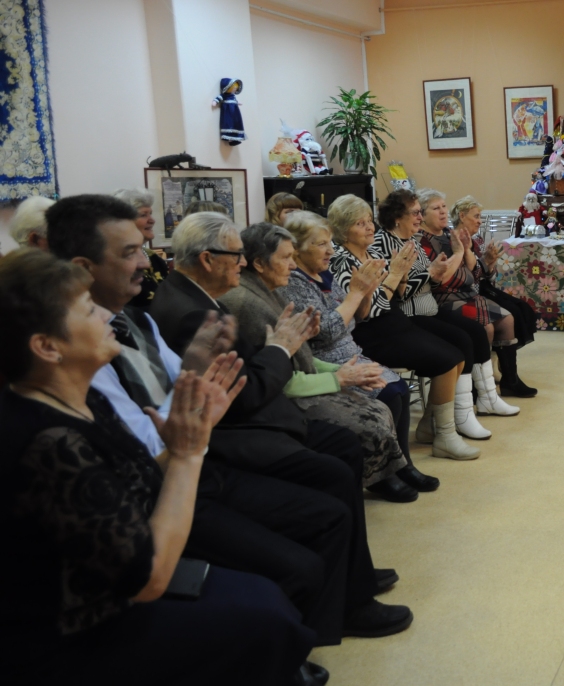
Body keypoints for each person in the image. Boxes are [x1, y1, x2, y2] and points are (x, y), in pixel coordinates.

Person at [44, 196, 398, 664]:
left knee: (338, 460)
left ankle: (347, 591)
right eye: (130, 252)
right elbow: (215, 406)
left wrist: (208, 375)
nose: (148, 260)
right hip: (207, 454)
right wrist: (282, 347)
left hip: (205, 445)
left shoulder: (137, 318)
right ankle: (324, 617)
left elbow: (190, 390)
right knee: (328, 476)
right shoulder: (107, 352)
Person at [0, 248, 317, 686]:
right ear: (47, 347)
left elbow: (144, 478)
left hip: (120, 585)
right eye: (88, 310)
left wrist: (195, 432)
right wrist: (188, 453)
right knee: (264, 619)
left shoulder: (85, 398)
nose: (105, 315)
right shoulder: (48, 441)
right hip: (71, 638)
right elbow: (146, 577)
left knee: (268, 598)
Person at [149, 210, 414, 637]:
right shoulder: (197, 312)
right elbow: (246, 393)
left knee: (343, 446)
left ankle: (354, 575)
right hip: (239, 433)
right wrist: (283, 348)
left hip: (262, 413)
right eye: (235, 255)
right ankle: (348, 602)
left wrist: (291, 348)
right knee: (335, 462)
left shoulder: (204, 297)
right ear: (207, 259)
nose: (241, 263)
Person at [222, 222, 421, 503]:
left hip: (328, 362)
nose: (292, 265)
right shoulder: (255, 301)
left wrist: (365, 293)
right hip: (289, 394)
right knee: (376, 411)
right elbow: (289, 365)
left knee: (394, 392)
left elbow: (349, 322)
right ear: (259, 264)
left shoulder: (271, 289)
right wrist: (338, 376)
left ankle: (397, 467)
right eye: (286, 257)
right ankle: (380, 476)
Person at [280, 209, 440, 492]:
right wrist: (356, 294)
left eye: (329, 243)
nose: (330, 251)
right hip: (324, 358)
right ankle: (380, 473)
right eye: (321, 244)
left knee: (400, 389)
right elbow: (325, 331)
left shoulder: (323, 273)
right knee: (390, 394)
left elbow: (360, 315)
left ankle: (402, 464)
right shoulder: (294, 284)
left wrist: (366, 292)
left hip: (349, 349)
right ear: (297, 248)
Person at [326, 195, 482, 459]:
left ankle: (431, 426)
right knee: (448, 360)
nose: (370, 227)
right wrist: (398, 274)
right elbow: (369, 310)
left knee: (457, 355)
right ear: (343, 229)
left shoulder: (370, 252)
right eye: (360, 223)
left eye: (369, 221)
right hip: (370, 332)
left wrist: (402, 275)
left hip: (393, 321)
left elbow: (395, 294)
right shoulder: (341, 260)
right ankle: (445, 436)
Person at [371, 190, 518, 422]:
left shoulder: (412, 240)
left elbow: (445, 277)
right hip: (412, 314)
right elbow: (402, 293)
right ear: (398, 217)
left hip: (431, 306)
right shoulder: (386, 242)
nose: (420, 218)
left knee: (481, 329)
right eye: (417, 213)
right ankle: (459, 415)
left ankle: (486, 398)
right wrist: (434, 272)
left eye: (421, 212)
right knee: (464, 339)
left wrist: (440, 270)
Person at [422, 191, 537, 399]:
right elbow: (444, 279)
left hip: (466, 293)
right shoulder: (424, 240)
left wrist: (485, 263)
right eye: (436, 208)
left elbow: (477, 273)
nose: (443, 212)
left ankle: (510, 381)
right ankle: (479, 388)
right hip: (445, 298)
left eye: (443, 206)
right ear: (422, 214)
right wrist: (473, 266)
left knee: (508, 318)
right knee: (486, 326)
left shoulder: (450, 235)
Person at [112, 188, 169, 309]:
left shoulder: (154, 258)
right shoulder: (116, 261)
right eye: (143, 215)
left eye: (150, 214)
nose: (152, 220)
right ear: (123, 221)